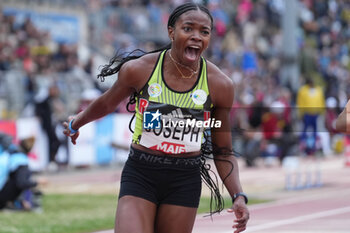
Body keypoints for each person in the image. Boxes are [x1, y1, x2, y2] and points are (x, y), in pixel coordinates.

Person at [63, 3, 249, 233]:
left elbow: (223, 150)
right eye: (188, 28)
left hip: (184, 178)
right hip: (142, 172)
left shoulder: (220, 85)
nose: (196, 37)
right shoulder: (140, 70)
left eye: (204, 32)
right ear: (171, 31)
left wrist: (238, 194)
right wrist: (76, 122)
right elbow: (106, 102)